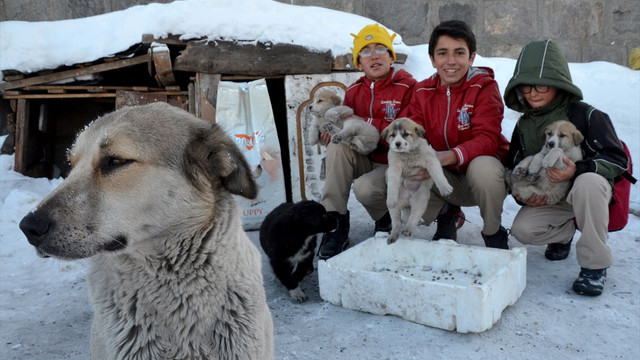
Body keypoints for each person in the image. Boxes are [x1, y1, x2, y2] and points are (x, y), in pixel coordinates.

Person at [503, 39, 629, 296]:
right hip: (554, 197)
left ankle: (595, 266)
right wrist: (523, 194)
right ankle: (563, 234)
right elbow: (515, 164)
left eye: (542, 84)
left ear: (559, 84)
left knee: (589, 182)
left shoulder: (587, 115)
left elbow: (618, 159)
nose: (533, 92)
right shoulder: (525, 125)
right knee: (523, 230)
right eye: (526, 86)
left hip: (589, 193)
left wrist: (577, 170)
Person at [403, 19, 511, 247]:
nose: (451, 62)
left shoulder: (484, 87)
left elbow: (488, 139)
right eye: (442, 53)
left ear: (471, 58)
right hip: (444, 178)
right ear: (432, 59)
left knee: (484, 166)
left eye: (459, 53)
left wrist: (446, 156)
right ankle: (446, 214)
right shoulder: (422, 91)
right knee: (404, 167)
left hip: (482, 181)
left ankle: (493, 232)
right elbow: (412, 135)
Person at [318, 24, 417, 260]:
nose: (373, 55)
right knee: (337, 145)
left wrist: (365, 121)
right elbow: (349, 129)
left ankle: (384, 217)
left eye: (381, 48)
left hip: (396, 162)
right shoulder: (353, 91)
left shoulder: (409, 86)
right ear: (359, 63)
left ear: (392, 58)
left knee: (365, 188)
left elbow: (407, 133)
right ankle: (335, 223)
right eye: (365, 51)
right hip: (366, 157)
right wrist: (333, 132)